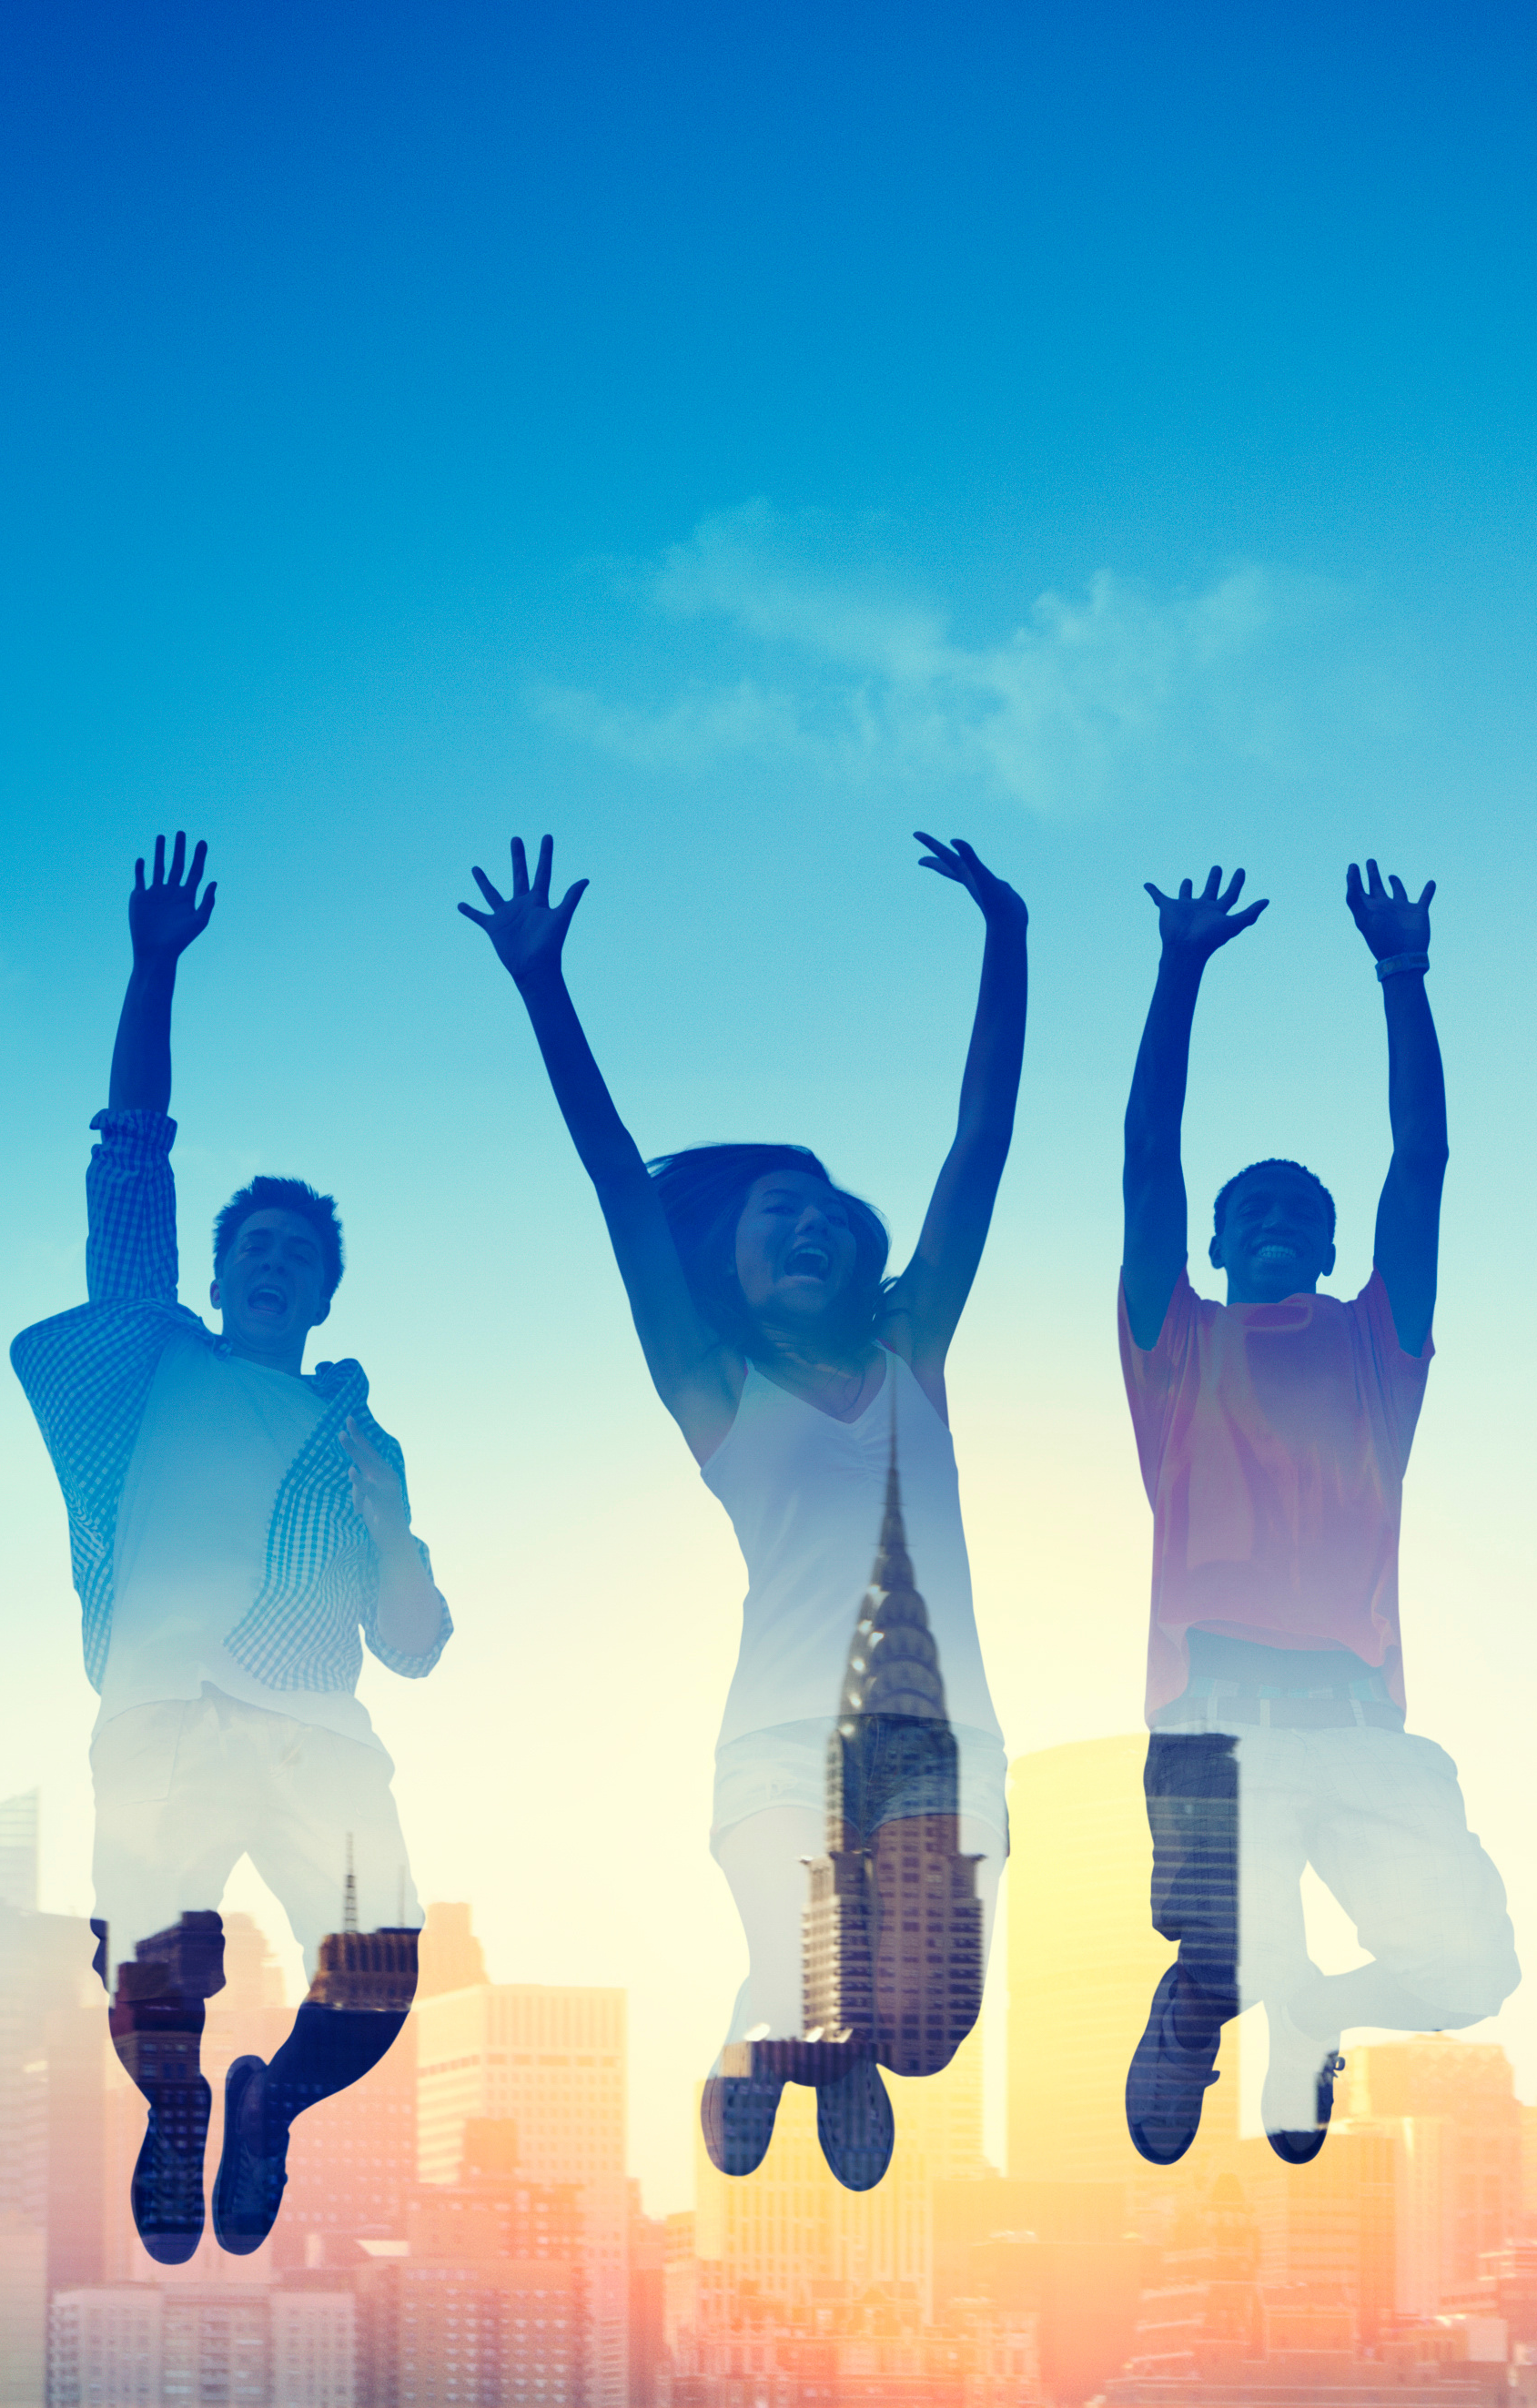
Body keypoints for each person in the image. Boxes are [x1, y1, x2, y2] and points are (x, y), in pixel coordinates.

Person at [462, 831, 1024, 2193]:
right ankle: (769, 2043)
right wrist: (542, 985)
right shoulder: (712, 1389)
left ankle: (831, 2050)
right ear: (727, 1261)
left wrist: (1006, 938)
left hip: (942, 1746)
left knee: (932, 2035)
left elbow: (978, 1145)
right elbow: (615, 1186)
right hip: (783, 1740)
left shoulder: (911, 1356)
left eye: (825, 1206)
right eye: (775, 1212)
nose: (809, 1223)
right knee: (793, 1960)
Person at [12, 835, 453, 2265]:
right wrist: (152, 970)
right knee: (151, 1972)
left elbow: (418, 1641)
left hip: (316, 1727)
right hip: (156, 1711)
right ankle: (179, 2101)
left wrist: (387, 1515)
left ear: (325, 1287)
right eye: (249, 1245)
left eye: (296, 1252)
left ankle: (270, 2097)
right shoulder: (153, 1365)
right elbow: (129, 1166)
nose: (269, 1261)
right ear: (216, 1273)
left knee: (379, 1976)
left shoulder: (355, 1439)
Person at [1113, 862, 1517, 2174]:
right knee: (1224, 1937)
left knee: (1470, 1972)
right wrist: (1178, 970)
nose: (1279, 1218)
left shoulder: (1375, 1348)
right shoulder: (1172, 1346)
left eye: (1304, 1208)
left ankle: (1309, 2012)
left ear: (1335, 1245)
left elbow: (1425, 1159)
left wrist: (1402, 976)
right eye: (1254, 1209)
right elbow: (1144, 1160)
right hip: (1212, 1720)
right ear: (1220, 1244)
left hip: (1356, 1719)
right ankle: (1203, 1998)